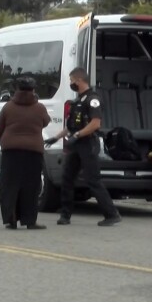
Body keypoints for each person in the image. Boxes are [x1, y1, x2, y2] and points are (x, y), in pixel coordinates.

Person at [45, 67, 121, 227]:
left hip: (88, 143)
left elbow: (95, 124)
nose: (71, 83)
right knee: (67, 178)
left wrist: (78, 136)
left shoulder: (93, 99)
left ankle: (111, 214)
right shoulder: (77, 101)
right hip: (76, 144)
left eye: (72, 81)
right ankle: (65, 215)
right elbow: (72, 126)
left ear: (79, 80)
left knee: (93, 180)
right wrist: (55, 138)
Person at [0, 77, 51, 230]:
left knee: (9, 185)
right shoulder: (39, 108)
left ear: (17, 89)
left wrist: (5, 143)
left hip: (11, 150)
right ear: (33, 90)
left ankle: (10, 217)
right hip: (33, 150)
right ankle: (29, 220)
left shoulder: (8, 107)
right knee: (31, 186)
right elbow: (46, 122)